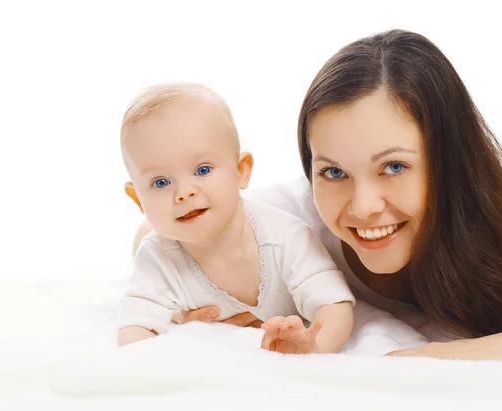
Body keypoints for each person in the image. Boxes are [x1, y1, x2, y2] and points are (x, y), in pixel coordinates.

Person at [134, 30, 502, 370]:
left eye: (394, 167)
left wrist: (484, 351)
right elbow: (150, 232)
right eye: (333, 171)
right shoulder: (291, 221)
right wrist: (201, 299)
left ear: (449, 159)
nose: (362, 206)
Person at [116, 82, 357, 354]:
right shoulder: (157, 256)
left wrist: (315, 347)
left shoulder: (287, 237)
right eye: (160, 183)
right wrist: (144, 363)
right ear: (138, 199)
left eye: (203, 169)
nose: (184, 192)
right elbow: (134, 325)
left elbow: (335, 304)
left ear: (241, 171)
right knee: (144, 241)